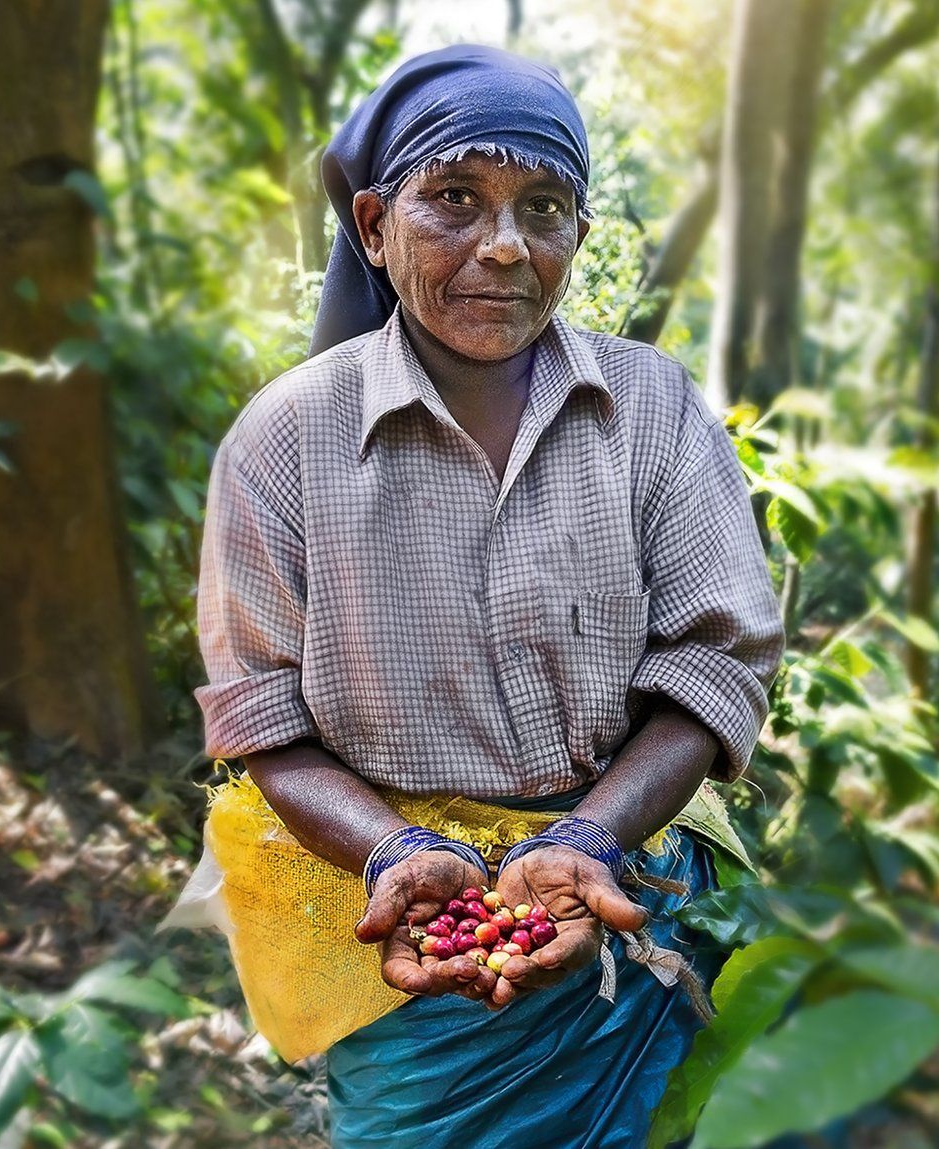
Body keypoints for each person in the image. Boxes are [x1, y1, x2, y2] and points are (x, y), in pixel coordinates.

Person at [194, 44, 784, 1148]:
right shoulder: (284, 441)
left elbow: (712, 665)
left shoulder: (652, 410)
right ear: (373, 226)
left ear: (578, 235)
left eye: (544, 207)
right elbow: (262, 721)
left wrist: (592, 840)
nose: (504, 246)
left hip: (623, 883)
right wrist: (397, 853)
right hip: (392, 930)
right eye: (453, 199)